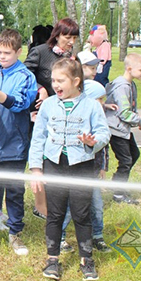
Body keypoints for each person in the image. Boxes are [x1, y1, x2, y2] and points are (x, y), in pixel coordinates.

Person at [29, 58, 110, 281]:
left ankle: (87, 259)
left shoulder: (92, 105)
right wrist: (36, 169)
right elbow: (38, 138)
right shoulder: (48, 105)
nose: (55, 85)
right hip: (54, 166)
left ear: (76, 81)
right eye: (53, 80)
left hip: (82, 166)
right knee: (54, 214)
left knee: (81, 214)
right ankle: (52, 259)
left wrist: (93, 142)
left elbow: (104, 133)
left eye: (60, 80)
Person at [0, 29, 37, 256]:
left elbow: (20, 105)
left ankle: (15, 233)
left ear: (18, 52)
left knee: (14, 190)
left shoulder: (26, 77)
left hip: (15, 144)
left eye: (7, 53)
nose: (2, 57)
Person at [59, 51, 115, 254]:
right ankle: (61, 237)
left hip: (93, 173)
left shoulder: (99, 124)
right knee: (67, 208)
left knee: (96, 206)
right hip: (75, 172)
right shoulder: (78, 123)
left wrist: (102, 167)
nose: (102, 103)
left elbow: (105, 146)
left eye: (103, 99)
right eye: (99, 99)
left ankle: (97, 236)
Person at [24, 18, 79, 220]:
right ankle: (40, 207)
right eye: (67, 36)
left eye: (74, 37)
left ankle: (59, 204)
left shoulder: (73, 58)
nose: (70, 41)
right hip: (39, 114)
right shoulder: (40, 52)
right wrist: (41, 89)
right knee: (40, 158)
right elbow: (25, 74)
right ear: (56, 35)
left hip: (64, 117)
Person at [105, 53, 141, 204]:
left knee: (134, 154)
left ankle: (117, 183)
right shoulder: (122, 86)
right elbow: (123, 112)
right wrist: (139, 121)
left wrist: (136, 117)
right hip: (116, 130)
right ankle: (118, 194)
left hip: (123, 129)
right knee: (126, 160)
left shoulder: (130, 84)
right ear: (129, 69)